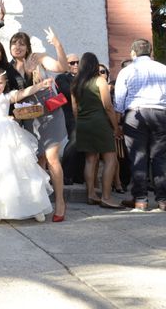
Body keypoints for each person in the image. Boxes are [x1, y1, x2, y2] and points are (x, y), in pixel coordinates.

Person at [0, 19, 54, 224]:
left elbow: (26, 91)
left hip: (9, 135)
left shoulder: (8, 95)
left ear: (5, 83)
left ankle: (35, 206)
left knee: (21, 170)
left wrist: (42, 85)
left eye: (0, 83)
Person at [8, 29, 70, 222]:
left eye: (21, 44)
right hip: (28, 117)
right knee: (38, 161)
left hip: (50, 113)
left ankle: (60, 201)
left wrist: (56, 43)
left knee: (51, 158)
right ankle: (41, 203)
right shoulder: (8, 67)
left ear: (28, 47)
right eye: (14, 43)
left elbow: (62, 66)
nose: (17, 47)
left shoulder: (39, 58)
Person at [114, 39, 166, 212]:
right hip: (160, 113)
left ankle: (140, 200)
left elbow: (119, 99)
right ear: (151, 53)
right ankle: (163, 200)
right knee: (160, 158)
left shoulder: (127, 70)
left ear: (133, 53)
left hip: (135, 114)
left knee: (138, 157)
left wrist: (119, 122)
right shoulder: (163, 68)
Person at [71, 53, 123, 209]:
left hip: (83, 124)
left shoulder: (75, 83)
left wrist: (80, 123)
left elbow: (74, 110)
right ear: (94, 66)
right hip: (99, 123)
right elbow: (108, 106)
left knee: (90, 160)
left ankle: (91, 194)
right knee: (111, 159)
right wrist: (116, 128)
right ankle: (106, 197)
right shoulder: (100, 80)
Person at [56, 53, 83, 185]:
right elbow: (67, 91)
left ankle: (79, 176)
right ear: (66, 64)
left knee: (83, 143)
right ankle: (66, 174)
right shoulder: (62, 77)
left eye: (77, 62)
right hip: (69, 114)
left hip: (86, 114)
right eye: (72, 63)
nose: (76, 65)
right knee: (74, 140)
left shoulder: (84, 77)